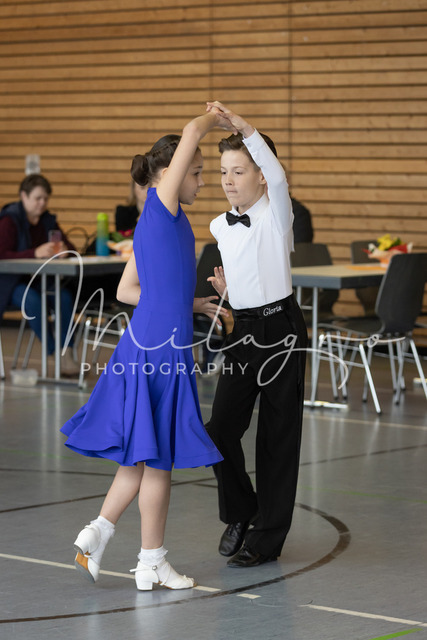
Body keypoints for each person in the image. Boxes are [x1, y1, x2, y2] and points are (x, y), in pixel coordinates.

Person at [60, 109, 229, 591]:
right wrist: (214, 118)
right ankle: (151, 561)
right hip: (159, 350)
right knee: (158, 458)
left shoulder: (156, 220)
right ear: (169, 174)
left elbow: (128, 290)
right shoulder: (164, 206)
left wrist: (191, 303)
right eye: (196, 172)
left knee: (143, 454)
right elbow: (191, 132)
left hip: (148, 340)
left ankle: (99, 533)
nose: (202, 181)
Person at [205, 101, 308, 568]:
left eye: (239, 171)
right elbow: (250, 274)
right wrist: (232, 295)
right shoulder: (219, 225)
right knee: (219, 430)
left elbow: (279, 177)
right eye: (223, 172)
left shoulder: (276, 213)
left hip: (281, 328)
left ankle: (267, 539)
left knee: (276, 438)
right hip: (244, 328)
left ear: (261, 176)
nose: (228, 181)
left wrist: (244, 127)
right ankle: (242, 510)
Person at [0, 174, 79, 376]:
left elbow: (71, 248)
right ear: (23, 196)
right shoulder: (9, 221)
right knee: (33, 301)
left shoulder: (47, 221)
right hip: (11, 283)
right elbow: (2, 254)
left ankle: (67, 350)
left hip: (39, 280)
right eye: (37, 198)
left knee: (64, 296)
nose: (42, 203)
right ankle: (54, 351)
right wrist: (34, 253)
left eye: (45, 198)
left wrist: (65, 250)